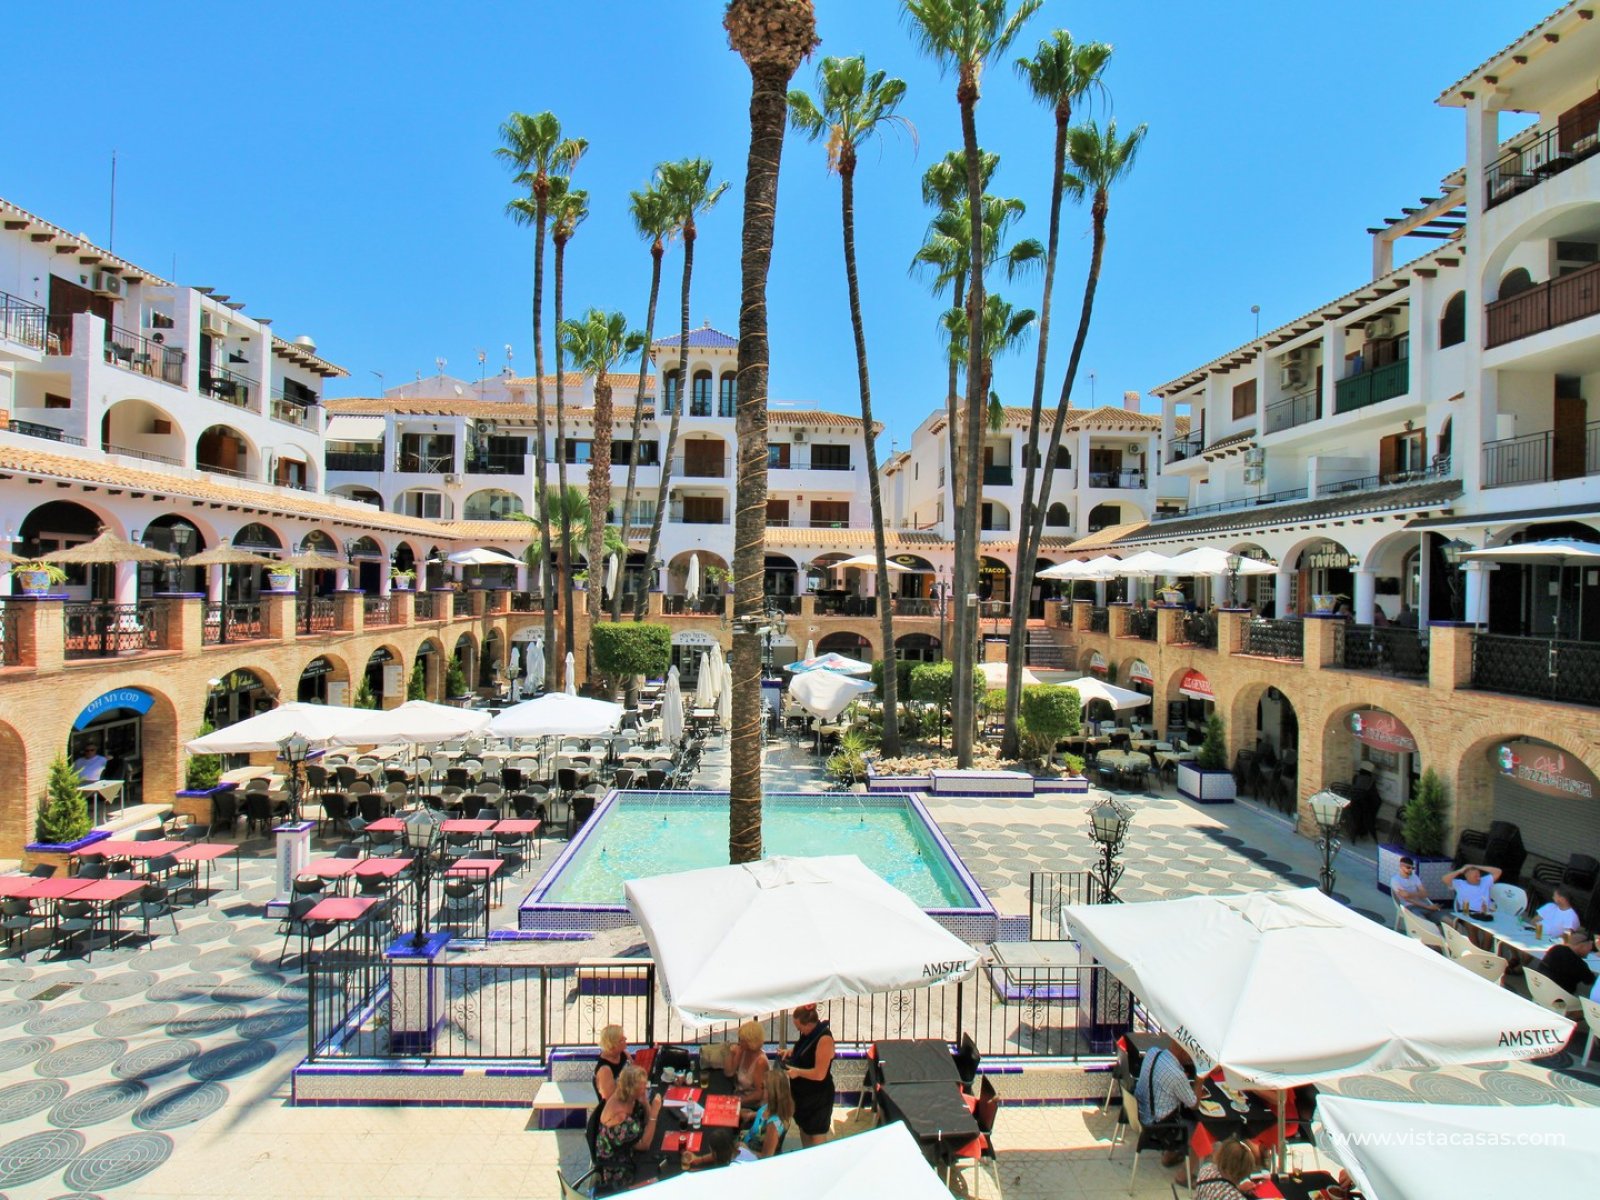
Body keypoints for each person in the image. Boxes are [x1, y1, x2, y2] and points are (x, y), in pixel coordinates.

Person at [1133, 1036, 1202, 1171]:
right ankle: (1183, 1173)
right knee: (1199, 1127)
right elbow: (1194, 1104)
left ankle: (1171, 1155)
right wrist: (1200, 1080)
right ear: (1183, 1051)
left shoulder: (1152, 1052)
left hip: (1139, 1113)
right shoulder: (1177, 1076)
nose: (1192, 1058)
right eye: (1191, 1054)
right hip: (1159, 1128)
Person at [592, 1065, 661, 1195]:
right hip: (619, 1166)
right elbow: (644, 1145)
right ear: (632, 1089)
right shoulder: (621, 1118)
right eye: (643, 1087)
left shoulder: (627, 1096)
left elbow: (644, 1122)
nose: (646, 1088)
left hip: (628, 1145)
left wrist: (645, 1102)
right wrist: (654, 1113)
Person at [779, 1003, 834, 1147]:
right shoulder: (808, 1034)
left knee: (816, 1137)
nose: (799, 1030)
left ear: (808, 1024)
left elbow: (819, 1074)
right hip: (802, 1096)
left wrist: (797, 1072)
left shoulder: (824, 1039)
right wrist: (790, 1052)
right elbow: (805, 1051)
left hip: (817, 1098)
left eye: (799, 1027)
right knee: (804, 1131)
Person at [743, 1068, 795, 1160]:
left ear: (772, 1092)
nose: (761, 1090)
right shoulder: (768, 1106)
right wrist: (747, 1114)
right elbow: (758, 1116)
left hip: (754, 1156)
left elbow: (766, 1157)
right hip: (746, 1143)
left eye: (763, 1087)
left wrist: (744, 1149)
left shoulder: (773, 1124)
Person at [1535, 928, 1597, 996]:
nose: (1589, 952)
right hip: (1559, 997)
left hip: (1538, 987)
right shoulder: (1578, 963)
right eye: (1589, 949)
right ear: (1581, 946)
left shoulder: (1555, 949)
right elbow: (1590, 980)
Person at [725, 1019, 770, 1109]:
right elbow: (729, 1073)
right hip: (739, 1096)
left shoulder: (760, 1062)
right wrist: (731, 1054)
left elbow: (759, 1094)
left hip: (753, 1105)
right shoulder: (743, 1051)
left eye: (742, 1040)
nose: (739, 1043)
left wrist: (737, 1101)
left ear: (751, 1042)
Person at [593, 1024, 630, 1102]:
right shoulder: (604, 1070)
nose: (625, 1038)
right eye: (622, 1038)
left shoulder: (624, 1055)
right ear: (613, 1043)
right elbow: (609, 1100)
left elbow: (636, 1072)